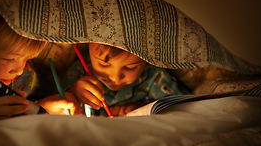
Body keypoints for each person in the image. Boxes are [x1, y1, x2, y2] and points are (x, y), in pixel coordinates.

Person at [62, 43, 190, 116]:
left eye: (130, 68)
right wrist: (72, 94)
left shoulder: (155, 78)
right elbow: (55, 111)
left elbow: (183, 111)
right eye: (104, 64)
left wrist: (143, 109)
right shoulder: (78, 74)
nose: (115, 78)